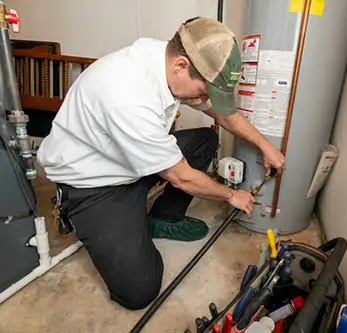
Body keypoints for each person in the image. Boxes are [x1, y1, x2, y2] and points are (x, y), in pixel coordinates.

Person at [36, 17, 285, 310]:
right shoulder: (128, 94)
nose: (205, 98)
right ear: (181, 65)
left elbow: (221, 113)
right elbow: (182, 178)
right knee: (139, 290)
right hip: (94, 185)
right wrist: (232, 194)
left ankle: (163, 218)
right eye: (205, 90)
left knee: (205, 140)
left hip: (128, 162)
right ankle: (121, 223)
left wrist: (265, 145)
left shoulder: (166, 61)